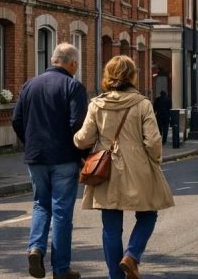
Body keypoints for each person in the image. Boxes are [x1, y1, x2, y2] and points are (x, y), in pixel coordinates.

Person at [74, 56, 174, 279]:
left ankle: (115, 276)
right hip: (139, 167)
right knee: (148, 214)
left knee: (110, 227)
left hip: (105, 170)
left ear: (108, 76)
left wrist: (75, 139)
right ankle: (131, 255)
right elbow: (154, 140)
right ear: (132, 76)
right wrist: (154, 160)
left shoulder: (97, 104)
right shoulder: (142, 104)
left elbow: (83, 139)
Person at [12, 42, 87, 279]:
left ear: (53, 60)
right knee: (62, 212)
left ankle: (36, 248)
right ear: (72, 63)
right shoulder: (73, 86)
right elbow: (77, 124)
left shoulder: (29, 85)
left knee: (40, 205)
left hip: (36, 157)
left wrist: (31, 143)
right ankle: (61, 269)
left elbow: (17, 120)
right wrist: (82, 154)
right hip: (64, 157)